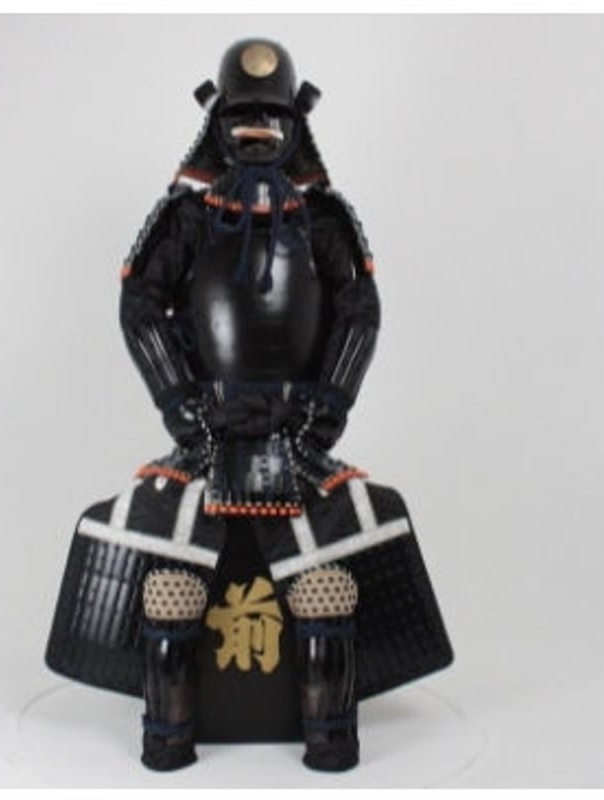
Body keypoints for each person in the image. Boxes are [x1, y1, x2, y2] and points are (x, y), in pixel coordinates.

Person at [46, 38, 452, 773]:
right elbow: (140, 304)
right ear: (217, 121)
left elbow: (358, 313)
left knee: (350, 556)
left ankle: (331, 735)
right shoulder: (187, 218)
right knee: (152, 564)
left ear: (297, 122)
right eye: (242, 115)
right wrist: (180, 404)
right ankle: (167, 736)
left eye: (273, 115)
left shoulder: (325, 220)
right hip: (205, 438)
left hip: (300, 439)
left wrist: (327, 410)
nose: (258, 129)